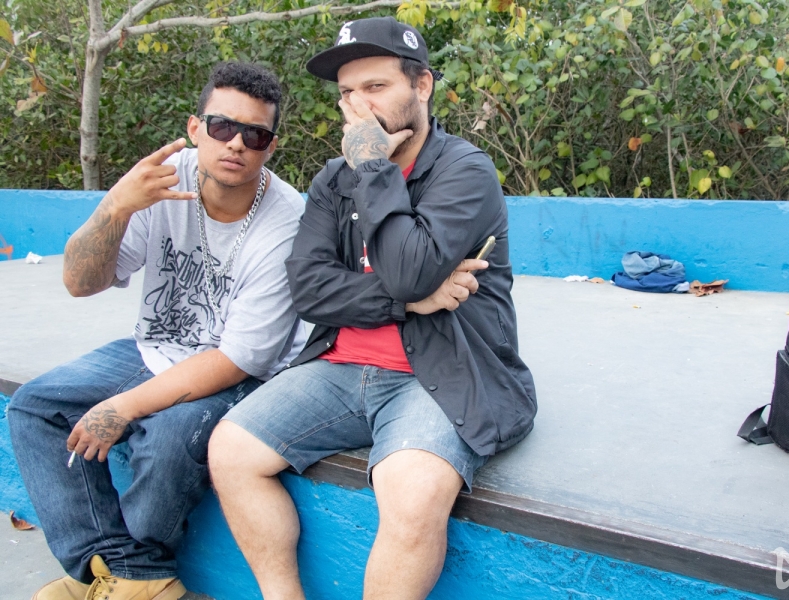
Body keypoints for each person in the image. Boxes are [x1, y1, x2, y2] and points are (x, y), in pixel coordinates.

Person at [208, 16, 537, 599]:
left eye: (376, 87)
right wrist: (412, 302)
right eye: (347, 93)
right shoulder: (332, 180)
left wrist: (372, 165)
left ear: (422, 86)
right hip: (339, 366)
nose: (358, 107)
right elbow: (309, 289)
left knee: (411, 492)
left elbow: (408, 269)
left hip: (439, 374)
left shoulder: (464, 171)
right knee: (230, 451)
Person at [8, 62, 307, 600]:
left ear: (271, 147)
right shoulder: (162, 182)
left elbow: (239, 359)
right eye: (222, 126)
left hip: (246, 372)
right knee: (35, 406)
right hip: (158, 348)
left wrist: (123, 407)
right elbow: (79, 283)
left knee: (167, 436)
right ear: (195, 128)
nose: (236, 143)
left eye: (255, 135)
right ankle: (122, 571)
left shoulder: (286, 221)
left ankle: (131, 577)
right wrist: (116, 205)